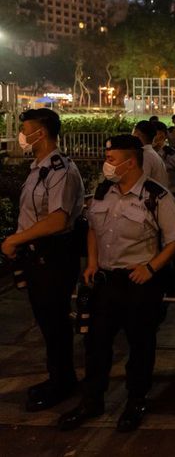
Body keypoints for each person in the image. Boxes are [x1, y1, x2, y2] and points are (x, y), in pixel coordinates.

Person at [58, 135, 175, 432]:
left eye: (112, 159)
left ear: (130, 163)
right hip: (106, 281)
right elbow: (92, 228)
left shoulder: (156, 195)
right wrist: (92, 262)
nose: (107, 164)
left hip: (138, 283)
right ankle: (92, 400)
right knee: (96, 344)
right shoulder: (104, 192)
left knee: (140, 345)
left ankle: (135, 401)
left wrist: (151, 268)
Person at [1, 109, 85, 412]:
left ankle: (62, 383)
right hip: (38, 258)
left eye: (25, 129)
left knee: (55, 323)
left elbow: (57, 221)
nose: (22, 134)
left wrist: (14, 240)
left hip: (53, 257)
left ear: (42, 132)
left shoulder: (60, 170)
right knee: (48, 323)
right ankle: (59, 377)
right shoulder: (39, 168)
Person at [132, 120, 169, 188]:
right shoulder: (150, 153)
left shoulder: (145, 156)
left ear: (137, 134)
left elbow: (140, 184)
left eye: (133, 132)